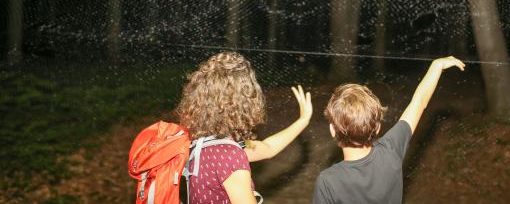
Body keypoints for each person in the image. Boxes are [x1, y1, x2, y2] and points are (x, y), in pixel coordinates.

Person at [312, 56, 465, 204]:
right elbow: (419, 102)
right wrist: (436, 66)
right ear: (377, 128)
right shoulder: (391, 152)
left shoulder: (327, 182)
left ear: (333, 130)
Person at [177, 51, 312, 204]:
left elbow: (267, 147)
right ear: (244, 102)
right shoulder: (231, 157)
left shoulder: (203, 143)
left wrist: (302, 121)